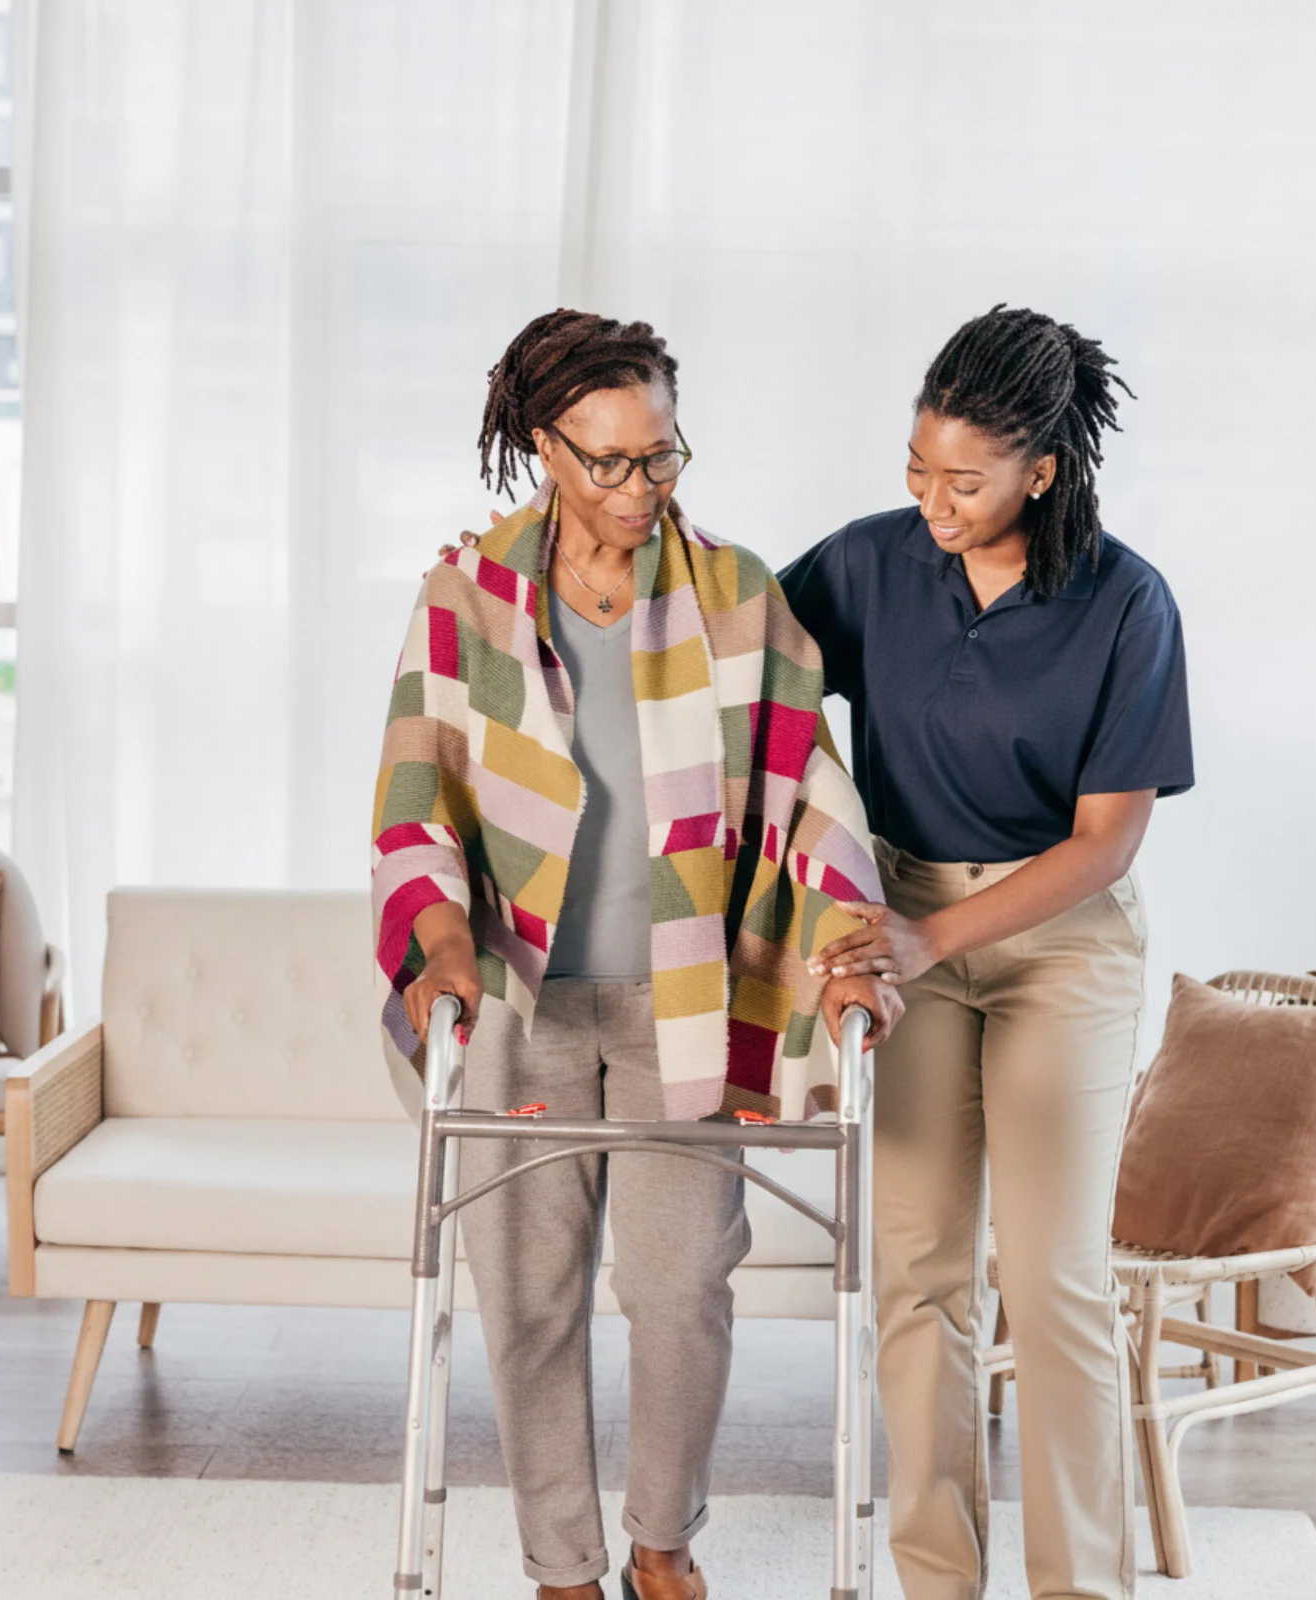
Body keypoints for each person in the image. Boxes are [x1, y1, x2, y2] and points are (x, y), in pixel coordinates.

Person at [371, 309, 901, 1600]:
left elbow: (810, 787)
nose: (637, 485)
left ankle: (664, 1544)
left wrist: (849, 944)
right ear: (543, 447)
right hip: (520, 1001)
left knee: (679, 1292)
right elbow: (413, 799)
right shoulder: (467, 598)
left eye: (660, 454)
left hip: (685, 1001)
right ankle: (563, 1569)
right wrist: (438, 939)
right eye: (606, 459)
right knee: (528, 1298)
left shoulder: (737, 597)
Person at [778, 305, 1194, 1600]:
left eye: (965, 479)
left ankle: (1080, 1588)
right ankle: (936, 1583)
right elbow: (729, 653)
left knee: (1055, 1281)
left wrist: (929, 939)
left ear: (1043, 471)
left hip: (1059, 945)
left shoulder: (1127, 603)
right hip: (900, 915)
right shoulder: (870, 565)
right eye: (919, 468)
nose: (933, 500)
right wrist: (542, 570)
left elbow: (1104, 844)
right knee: (915, 1276)